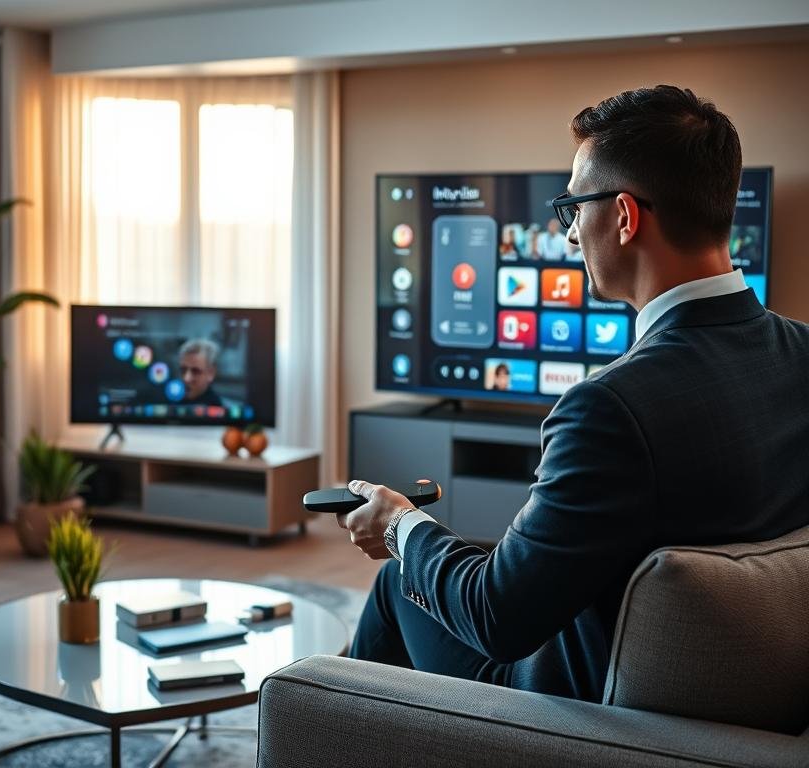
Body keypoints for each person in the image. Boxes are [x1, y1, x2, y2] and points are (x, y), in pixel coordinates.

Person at [337, 85, 809, 702]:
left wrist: (402, 525)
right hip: (748, 696)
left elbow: (498, 617)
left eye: (571, 209)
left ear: (623, 216)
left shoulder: (610, 407)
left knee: (401, 581)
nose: (567, 236)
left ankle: (322, 718)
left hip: (577, 710)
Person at [177, 338, 223, 406]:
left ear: (211, 373)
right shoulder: (173, 402)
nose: (186, 378)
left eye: (195, 371)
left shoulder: (217, 409)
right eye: (183, 370)